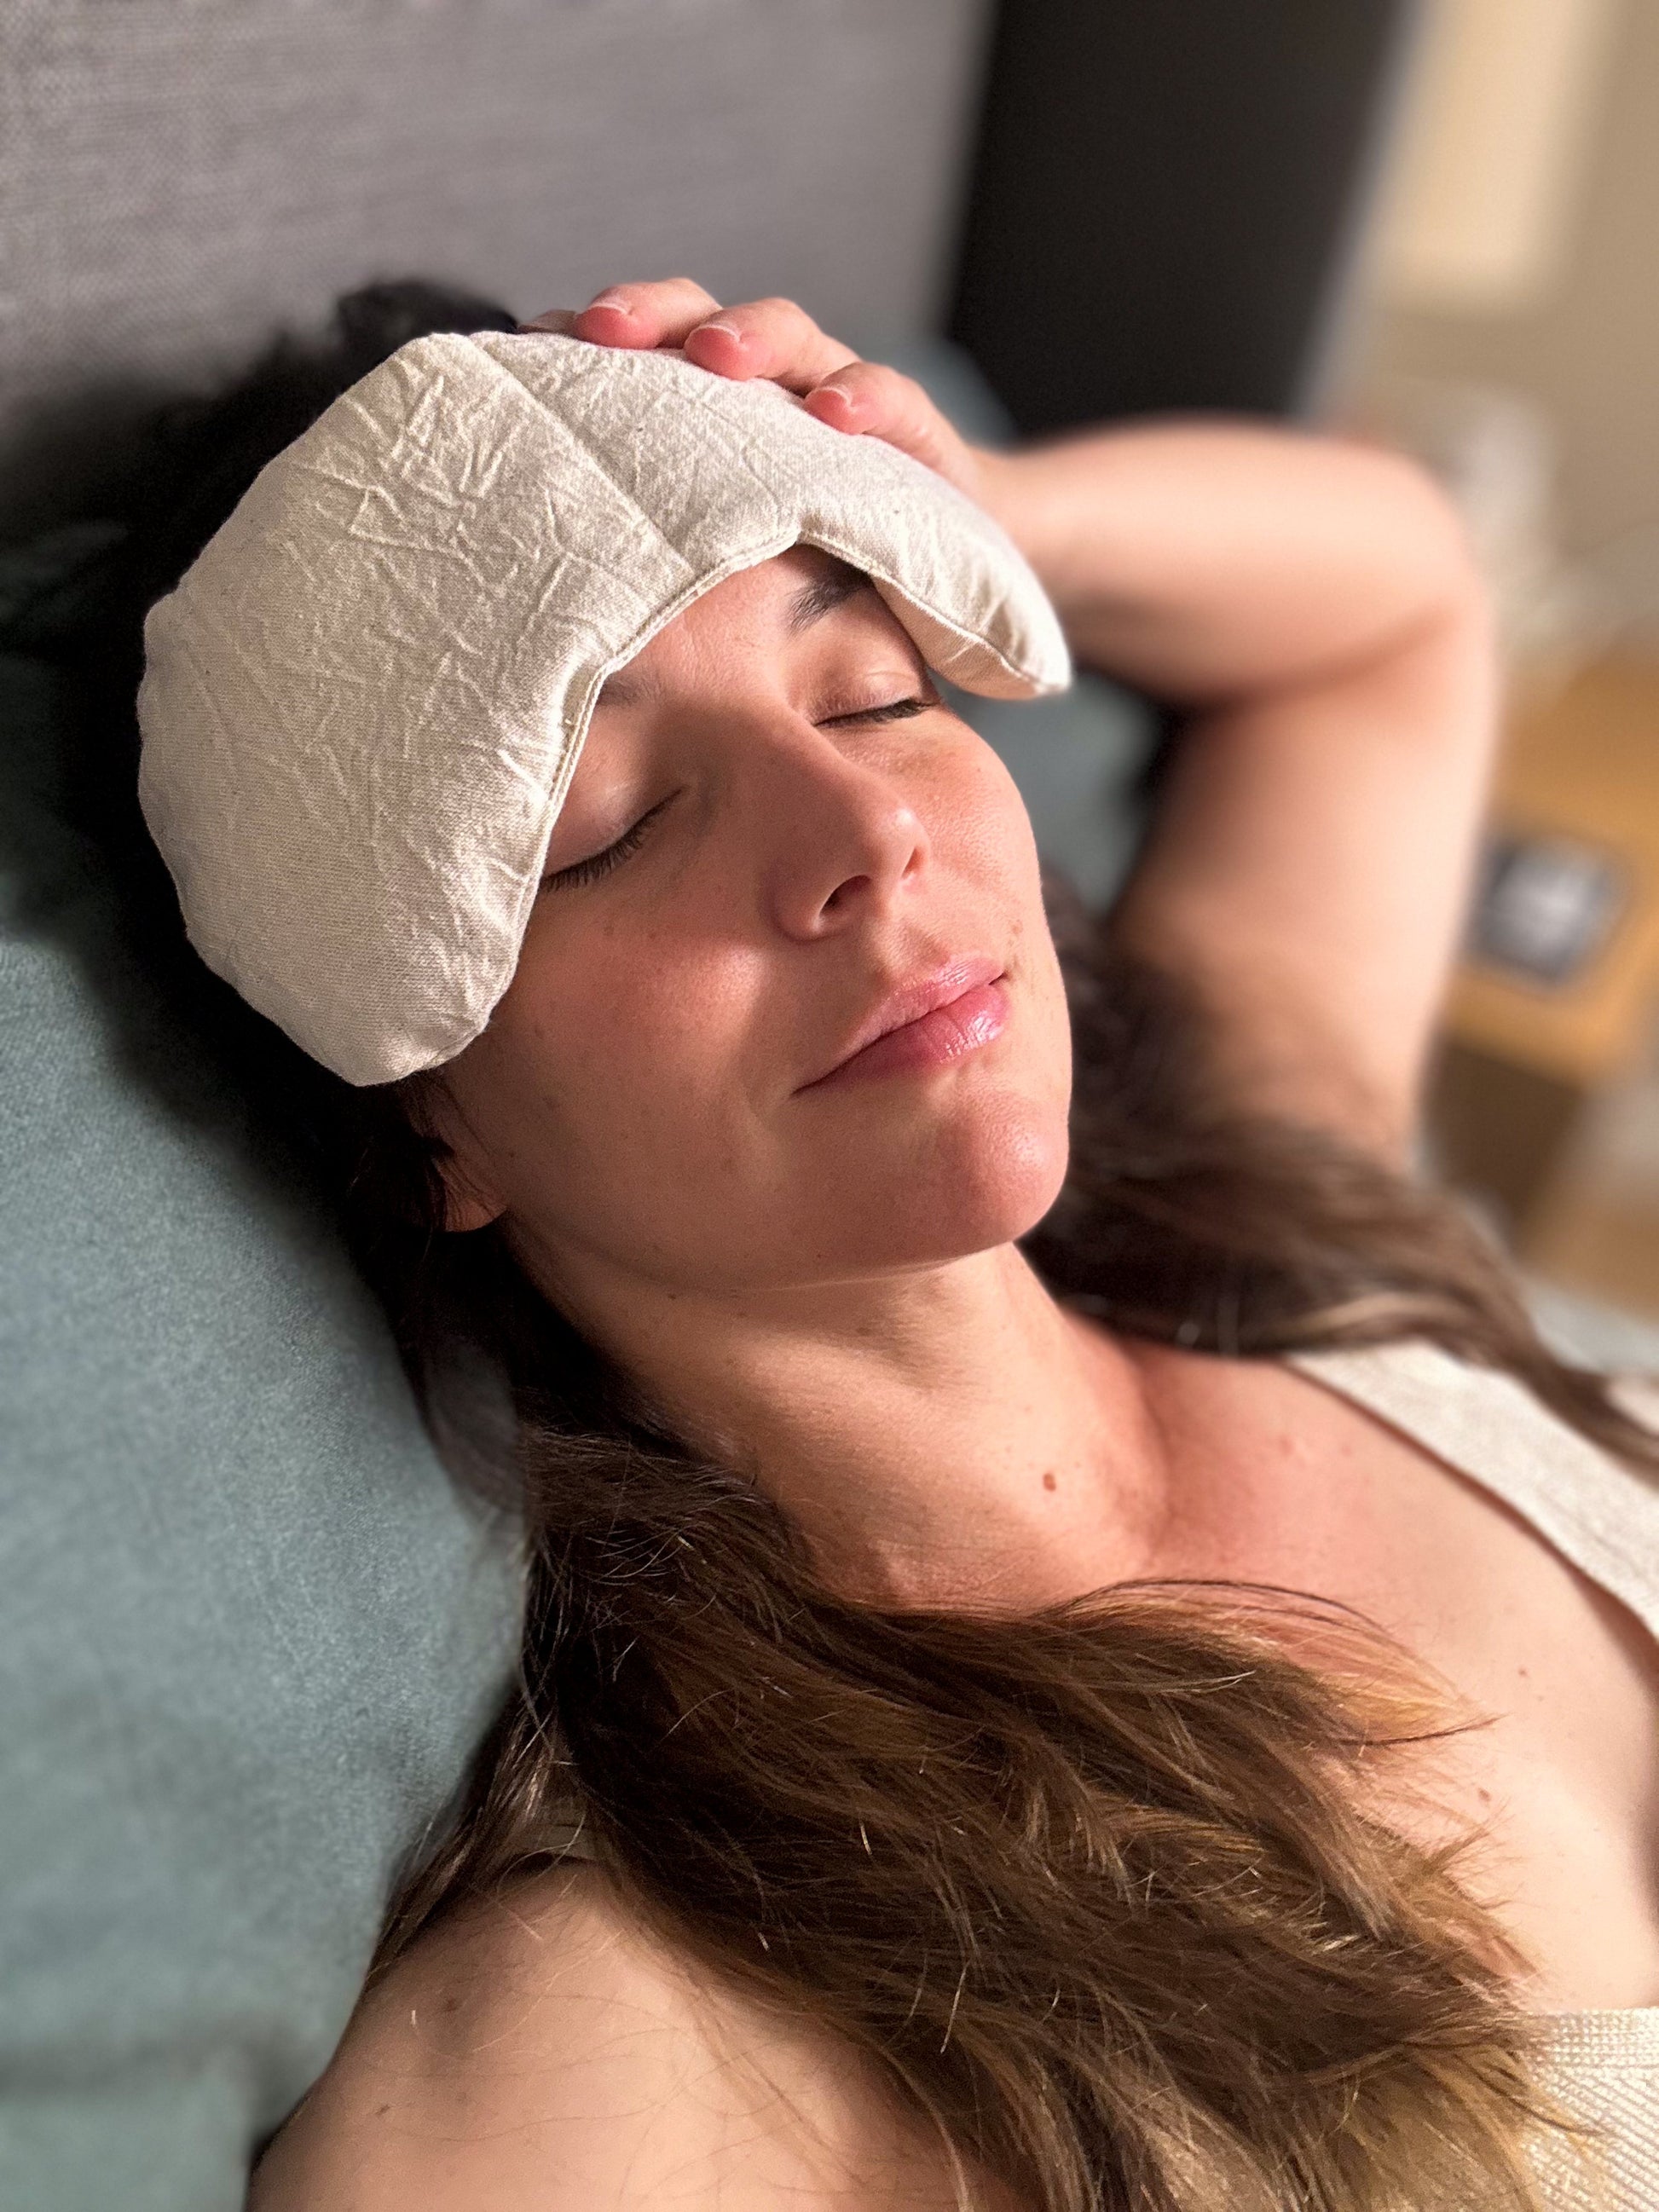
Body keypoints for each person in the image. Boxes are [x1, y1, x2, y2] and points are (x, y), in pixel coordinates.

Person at [93, 277, 1659, 2210]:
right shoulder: (678, 2019)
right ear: (433, 1133)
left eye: (874, 690)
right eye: (609, 827)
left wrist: (966, 493)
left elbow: (1398, 598)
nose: (864, 829)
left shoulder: (1292, 1238)